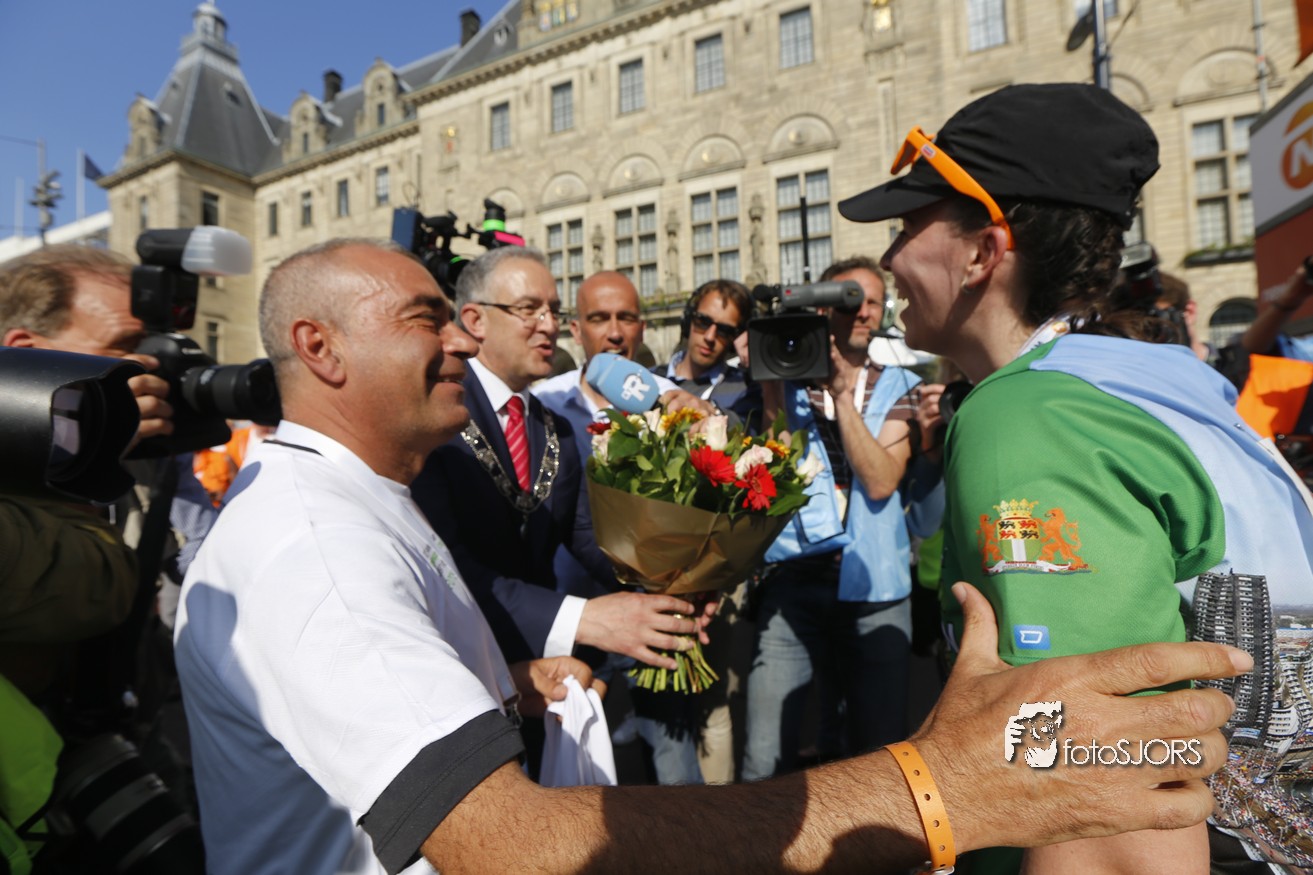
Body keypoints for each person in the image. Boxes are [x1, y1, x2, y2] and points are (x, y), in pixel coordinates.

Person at [176, 234, 1252, 875]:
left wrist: (506, 679)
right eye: (428, 317)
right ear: (318, 347)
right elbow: (504, 845)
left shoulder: (351, 501)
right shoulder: (314, 545)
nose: (463, 337)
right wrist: (940, 787)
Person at [838, 81, 1313, 872]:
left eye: (908, 225)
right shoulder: (1139, 375)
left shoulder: (1026, 416)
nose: (889, 259)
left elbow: (1104, 808)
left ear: (982, 253)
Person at [744, 255, 920, 779]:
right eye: (847, 301)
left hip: (875, 587)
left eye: (871, 301)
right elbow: (775, 467)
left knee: (880, 751)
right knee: (764, 754)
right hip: (794, 579)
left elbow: (882, 480)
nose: (862, 312)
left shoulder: (900, 384)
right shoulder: (788, 378)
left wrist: (843, 396)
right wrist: (771, 381)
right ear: (820, 309)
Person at [534, 271, 703, 786]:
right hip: (571, 620)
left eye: (626, 318)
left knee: (675, 777)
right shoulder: (541, 405)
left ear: (642, 326)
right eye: (598, 318)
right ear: (575, 329)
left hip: (659, 614)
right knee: (573, 780)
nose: (613, 332)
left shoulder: (675, 404)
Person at [656, 279, 760, 423]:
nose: (710, 337)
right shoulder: (646, 377)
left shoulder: (745, 390)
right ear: (688, 320)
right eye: (703, 322)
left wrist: (713, 413)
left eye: (724, 330)